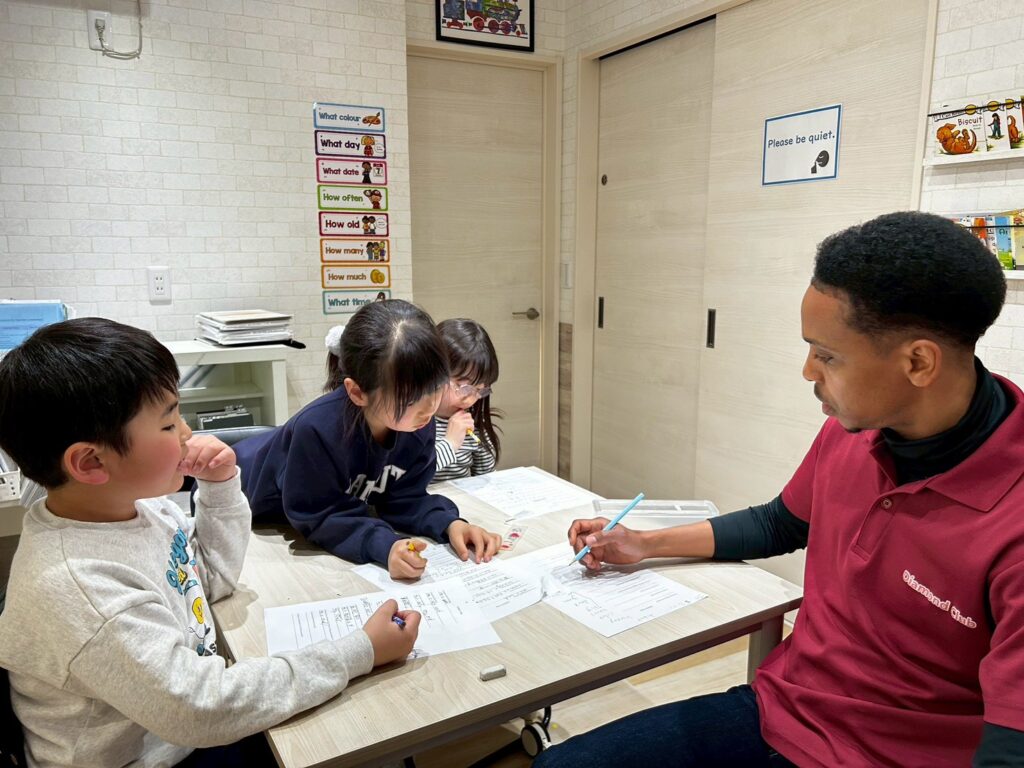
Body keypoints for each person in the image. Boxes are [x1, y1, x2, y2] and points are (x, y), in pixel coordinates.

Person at [536, 211, 1024, 768]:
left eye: (827, 355)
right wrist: (644, 544)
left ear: (918, 362)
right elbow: (780, 523)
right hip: (783, 708)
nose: (808, 371)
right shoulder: (853, 431)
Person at [0, 318, 420, 768]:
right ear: (90, 462)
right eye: (168, 424)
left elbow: (208, 581)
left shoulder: (142, 510)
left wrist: (219, 487)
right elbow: (201, 708)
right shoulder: (81, 589)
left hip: (186, 730)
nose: (187, 432)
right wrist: (360, 651)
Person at [235, 299, 501, 580]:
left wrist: (450, 524)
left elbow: (405, 498)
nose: (428, 407)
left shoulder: (417, 422)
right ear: (357, 392)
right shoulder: (317, 430)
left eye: (435, 388)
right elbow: (321, 514)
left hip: (302, 515)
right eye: (410, 398)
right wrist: (383, 545)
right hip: (250, 501)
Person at [432, 318, 501, 482]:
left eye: (479, 390)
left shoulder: (473, 425)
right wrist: (450, 443)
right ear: (434, 372)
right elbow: (410, 474)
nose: (470, 400)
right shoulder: (413, 422)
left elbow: (487, 477)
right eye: (464, 387)